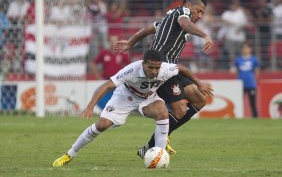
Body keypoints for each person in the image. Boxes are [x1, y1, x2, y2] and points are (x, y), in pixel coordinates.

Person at [52, 49, 213, 167]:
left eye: (157, 68)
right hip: (125, 97)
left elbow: (181, 68)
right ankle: (69, 154)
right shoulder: (131, 70)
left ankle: (159, 156)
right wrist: (90, 107)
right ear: (144, 64)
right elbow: (107, 85)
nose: (155, 71)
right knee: (102, 125)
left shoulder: (165, 69)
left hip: (147, 98)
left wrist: (199, 83)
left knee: (163, 113)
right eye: (151, 68)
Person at [114, 0, 213, 157]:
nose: (200, 16)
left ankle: (158, 140)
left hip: (173, 66)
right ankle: (156, 143)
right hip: (161, 67)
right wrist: (204, 35)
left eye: (203, 13)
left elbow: (149, 28)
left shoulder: (170, 20)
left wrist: (130, 42)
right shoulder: (182, 13)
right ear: (189, 6)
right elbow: (184, 22)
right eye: (199, 11)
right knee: (180, 109)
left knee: (200, 99)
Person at [233, 42, 259, 118]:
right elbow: (236, 71)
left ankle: (255, 118)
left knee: (252, 103)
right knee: (239, 102)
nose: (245, 49)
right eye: (244, 48)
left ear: (250, 49)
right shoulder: (238, 59)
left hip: (251, 84)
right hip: (240, 84)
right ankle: (238, 116)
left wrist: (254, 80)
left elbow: (257, 71)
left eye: (247, 48)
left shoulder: (254, 59)